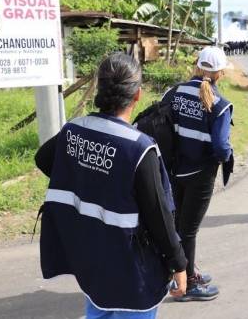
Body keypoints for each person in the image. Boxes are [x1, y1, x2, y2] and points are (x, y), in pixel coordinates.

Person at [35, 53, 187, 319]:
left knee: (98, 308)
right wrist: (179, 264)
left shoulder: (75, 130)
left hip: (92, 259)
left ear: (99, 88)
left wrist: (88, 180)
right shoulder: (139, 148)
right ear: (137, 95)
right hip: (131, 273)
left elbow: (44, 159)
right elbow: (159, 217)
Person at [162, 46, 233, 301]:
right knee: (189, 228)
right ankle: (189, 282)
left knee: (178, 223)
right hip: (201, 174)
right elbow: (222, 147)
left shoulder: (173, 92)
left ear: (197, 65)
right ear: (220, 73)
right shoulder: (220, 104)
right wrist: (226, 156)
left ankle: (180, 271)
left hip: (172, 171)